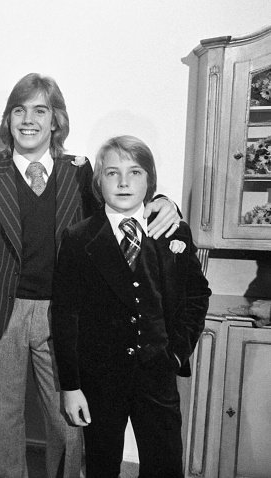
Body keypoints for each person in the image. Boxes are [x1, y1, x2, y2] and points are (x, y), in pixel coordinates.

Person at [0, 73, 181, 478]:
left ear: (55, 120)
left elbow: (123, 202)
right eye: (19, 111)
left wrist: (165, 201)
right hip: (2, 314)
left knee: (70, 419)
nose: (29, 120)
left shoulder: (80, 171)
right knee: (3, 417)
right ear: (9, 121)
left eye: (40, 110)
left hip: (66, 315)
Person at [51, 135, 211, 478]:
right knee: (101, 464)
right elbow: (65, 315)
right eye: (112, 173)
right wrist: (71, 386)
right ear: (98, 182)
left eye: (134, 172)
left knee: (165, 464)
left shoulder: (171, 232)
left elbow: (197, 295)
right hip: (100, 379)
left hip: (158, 373)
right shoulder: (79, 238)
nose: (123, 182)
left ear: (149, 181)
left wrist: (179, 352)